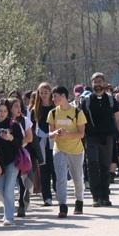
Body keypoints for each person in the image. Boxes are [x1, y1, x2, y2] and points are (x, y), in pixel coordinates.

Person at [80, 72, 119, 207]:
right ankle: (95, 197)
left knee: (105, 167)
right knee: (92, 166)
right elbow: (80, 121)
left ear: (104, 83)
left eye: (100, 81)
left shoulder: (111, 100)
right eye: (95, 81)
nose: (97, 84)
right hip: (92, 138)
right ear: (91, 83)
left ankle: (105, 196)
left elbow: (118, 119)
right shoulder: (86, 101)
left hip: (108, 138)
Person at [47, 86, 88, 217]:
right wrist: (56, 132)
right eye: (52, 96)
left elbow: (81, 134)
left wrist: (67, 134)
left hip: (76, 150)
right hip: (59, 149)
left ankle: (79, 201)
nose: (53, 99)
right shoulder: (52, 113)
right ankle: (62, 206)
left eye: (55, 96)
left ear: (64, 96)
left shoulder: (77, 112)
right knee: (60, 179)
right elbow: (50, 134)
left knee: (77, 178)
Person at [0, 99, 24, 225]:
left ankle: (9, 217)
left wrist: (10, 137)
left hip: (12, 161)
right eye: (0, 111)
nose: (2, 113)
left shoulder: (13, 124)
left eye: (5, 111)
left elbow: (20, 142)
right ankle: (10, 207)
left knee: (8, 189)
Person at [31, 83, 56, 206]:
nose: (44, 95)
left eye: (46, 92)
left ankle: (58, 190)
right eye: (41, 93)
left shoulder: (56, 107)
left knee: (55, 168)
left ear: (50, 92)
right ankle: (47, 197)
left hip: (55, 139)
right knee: (44, 169)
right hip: (41, 141)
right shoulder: (35, 109)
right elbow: (31, 128)